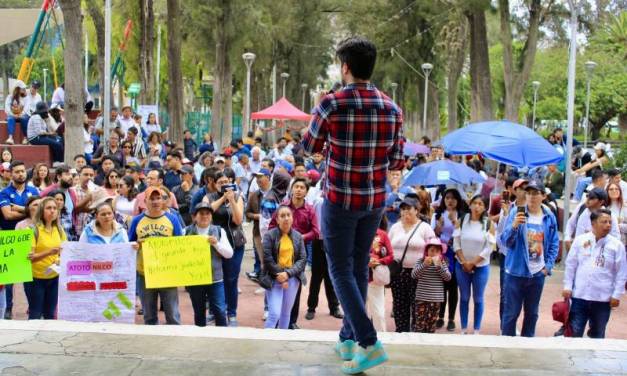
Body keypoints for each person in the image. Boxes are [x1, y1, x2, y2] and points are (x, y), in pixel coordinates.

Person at [301, 36, 403, 373]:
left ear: (345, 67)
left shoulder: (332, 103)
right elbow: (397, 160)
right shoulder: (392, 108)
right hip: (374, 200)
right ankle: (347, 339)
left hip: (339, 199)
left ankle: (369, 342)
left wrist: (318, 117)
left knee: (340, 270)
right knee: (358, 267)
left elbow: (309, 146)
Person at [500, 181, 559, 337]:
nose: (531, 197)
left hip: (537, 273)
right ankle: (506, 343)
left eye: (535, 193)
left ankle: (528, 345)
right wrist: (513, 226)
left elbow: (554, 242)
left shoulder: (549, 216)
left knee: (532, 313)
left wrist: (548, 267)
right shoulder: (516, 213)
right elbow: (505, 241)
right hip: (515, 272)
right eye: (529, 193)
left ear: (543, 196)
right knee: (511, 313)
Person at [563, 209, 627, 338]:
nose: (608, 225)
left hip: (602, 299)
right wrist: (567, 286)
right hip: (579, 296)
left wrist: (616, 295)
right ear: (593, 223)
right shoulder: (580, 240)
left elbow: (621, 272)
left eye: (610, 222)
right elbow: (571, 265)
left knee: (597, 335)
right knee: (574, 333)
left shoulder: (616, 245)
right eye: (604, 222)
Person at [268, 177, 322, 329]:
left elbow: (316, 232)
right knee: (277, 281)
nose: (298, 189)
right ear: (291, 189)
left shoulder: (310, 210)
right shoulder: (283, 207)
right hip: (280, 252)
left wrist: (299, 238)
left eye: (302, 187)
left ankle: (291, 321)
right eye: (296, 186)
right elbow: (271, 226)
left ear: (306, 192)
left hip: (299, 253)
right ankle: (274, 315)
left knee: (294, 286)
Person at [128, 186, 183, 325]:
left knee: (172, 315)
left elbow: (180, 244)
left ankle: (175, 341)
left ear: (163, 200)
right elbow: (129, 245)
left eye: (158, 198)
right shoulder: (136, 221)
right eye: (151, 199)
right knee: (149, 316)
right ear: (145, 201)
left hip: (167, 272)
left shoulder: (172, 219)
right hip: (145, 273)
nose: (155, 201)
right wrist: (136, 244)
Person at [388, 196, 435, 333]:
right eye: (402, 209)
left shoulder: (424, 228)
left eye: (408, 209)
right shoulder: (395, 227)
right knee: (399, 305)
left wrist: (429, 261)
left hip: (418, 273)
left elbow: (434, 248)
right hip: (398, 273)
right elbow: (388, 248)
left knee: (417, 305)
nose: (405, 212)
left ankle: (415, 334)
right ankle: (401, 332)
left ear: (416, 210)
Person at [205, 172, 246, 326]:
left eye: (226, 181)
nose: (223, 184)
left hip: (235, 244)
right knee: (214, 279)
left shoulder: (237, 196)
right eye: (220, 182)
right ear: (215, 184)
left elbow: (238, 219)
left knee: (231, 279)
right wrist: (222, 198)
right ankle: (214, 312)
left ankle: (232, 313)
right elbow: (207, 211)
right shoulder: (209, 197)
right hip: (215, 244)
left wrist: (232, 200)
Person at [0, 161, 40, 319]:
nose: (21, 174)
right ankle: (9, 307)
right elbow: (7, 215)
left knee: (33, 275)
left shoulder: (33, 190)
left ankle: (34, 307)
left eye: (23, 171)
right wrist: (28, 211)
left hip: (32, 236)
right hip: (11, 238)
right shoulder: (4, 193)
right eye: (17, 172)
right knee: (10, 277)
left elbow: (39, 212)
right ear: (10, 174)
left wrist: (18, 208)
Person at [185, 202, 233, 327]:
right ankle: (201, 338)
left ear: (211, 216)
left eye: (207, 213)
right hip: (195, 279)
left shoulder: (219, 231)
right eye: (201, 213)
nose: (204, 216)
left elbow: (229, 254)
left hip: (215, 279)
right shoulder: (186, 231)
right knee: (198, 311)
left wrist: (216, 244)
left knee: (220, 310)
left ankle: (222, 337)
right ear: (195, 216)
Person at [453, 194, 495, 335]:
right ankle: (464, 328)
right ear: (470, 205)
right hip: (462, 265)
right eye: (475, 203)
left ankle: (476, 329)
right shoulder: (462, 220)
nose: (477, 207)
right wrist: (464, 262)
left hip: (481, 267)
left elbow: (489, 247)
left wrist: (473, 262)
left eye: (480, 204)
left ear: (484, 207)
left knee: (478, 298)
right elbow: (456, 242)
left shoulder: (488, 223)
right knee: (464, 297)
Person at [262, 205, 307, 329]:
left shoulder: (298, 236)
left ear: (292, 218)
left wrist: (287, 274)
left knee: (286, 313)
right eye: (282, 216)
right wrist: (281, 275)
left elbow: (302, 259)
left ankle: (281, 342)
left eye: (288, 215)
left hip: (292, 279)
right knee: (274, 314)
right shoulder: (269, 235)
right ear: (277, 219)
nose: (286, 218)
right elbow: (267, 259)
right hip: (273, 278)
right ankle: (266, 340)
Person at [25, 197, 66, 319]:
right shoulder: (33, 230)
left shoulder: (59, 229)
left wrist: (59, 259)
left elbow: (64, 251)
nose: (52, 211)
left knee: (50, 314)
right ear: (41, 211)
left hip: (54, 277)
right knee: (35, 314)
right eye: (48, 208)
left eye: (54, 208)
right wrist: (49, 252)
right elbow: (30, 258)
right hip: (35, 279)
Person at [431, 188, 466, 331]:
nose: (450, 201)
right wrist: (438, 227)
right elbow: (432, 235)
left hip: (456, 255)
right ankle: (440, 316)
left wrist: (454, 221)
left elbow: (464, 235)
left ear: (458, 201)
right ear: (443, 200)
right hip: (442, 255)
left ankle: (451, 318)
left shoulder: (463, 216)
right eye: (447, 198)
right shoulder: (438, 215)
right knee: (441, 286)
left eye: (453, 198)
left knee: (453, 287)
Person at [411, 238, 451, 333]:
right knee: (419, 323)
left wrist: (439, 266)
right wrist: (424, 265)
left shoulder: (442, 263)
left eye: (437, 251)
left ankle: (429, 340)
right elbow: (414, 275)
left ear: (440, 253)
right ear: (427, 251)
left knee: (431, 323)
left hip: (436, 299)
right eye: (432, 250)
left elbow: (448, 277)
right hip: (421, 298)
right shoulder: (421, 261)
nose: (434, 253)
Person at [366, 217, 394, 332]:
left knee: (378, 313)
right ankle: (361, 340)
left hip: (376, 279)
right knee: (360, 313)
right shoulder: (356, 232)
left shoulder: (382, 235)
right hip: (358, 278)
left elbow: (391, 256)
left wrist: (378, 262)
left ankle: (381, 341)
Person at [4, 80, 28, 145]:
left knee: (25, 118)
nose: (24, 89)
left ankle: (25, 138)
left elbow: (26, 108)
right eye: (23, 88)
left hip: (21, 115)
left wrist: (21, 114)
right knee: (10, 118)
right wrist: (13, 115)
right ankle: (10, 138)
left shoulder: (25, 98)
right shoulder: (10, 97)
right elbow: (7, 108)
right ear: (18, 89)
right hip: (12, 115)